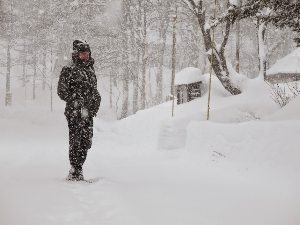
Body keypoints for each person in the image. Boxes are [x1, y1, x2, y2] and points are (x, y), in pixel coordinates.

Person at [57, 40, 101, 181]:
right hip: (74, 112)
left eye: (87, 54)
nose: (86, 56)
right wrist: (75, 100)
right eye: (83, 54)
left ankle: (79, 166)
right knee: (76, 141)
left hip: (88, 113)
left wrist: (95, 103)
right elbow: (62, 91)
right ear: (76, 54)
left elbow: (93, 90)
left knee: (86, 141)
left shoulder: (90, 69)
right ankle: (75, 169)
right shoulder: (68, 69)